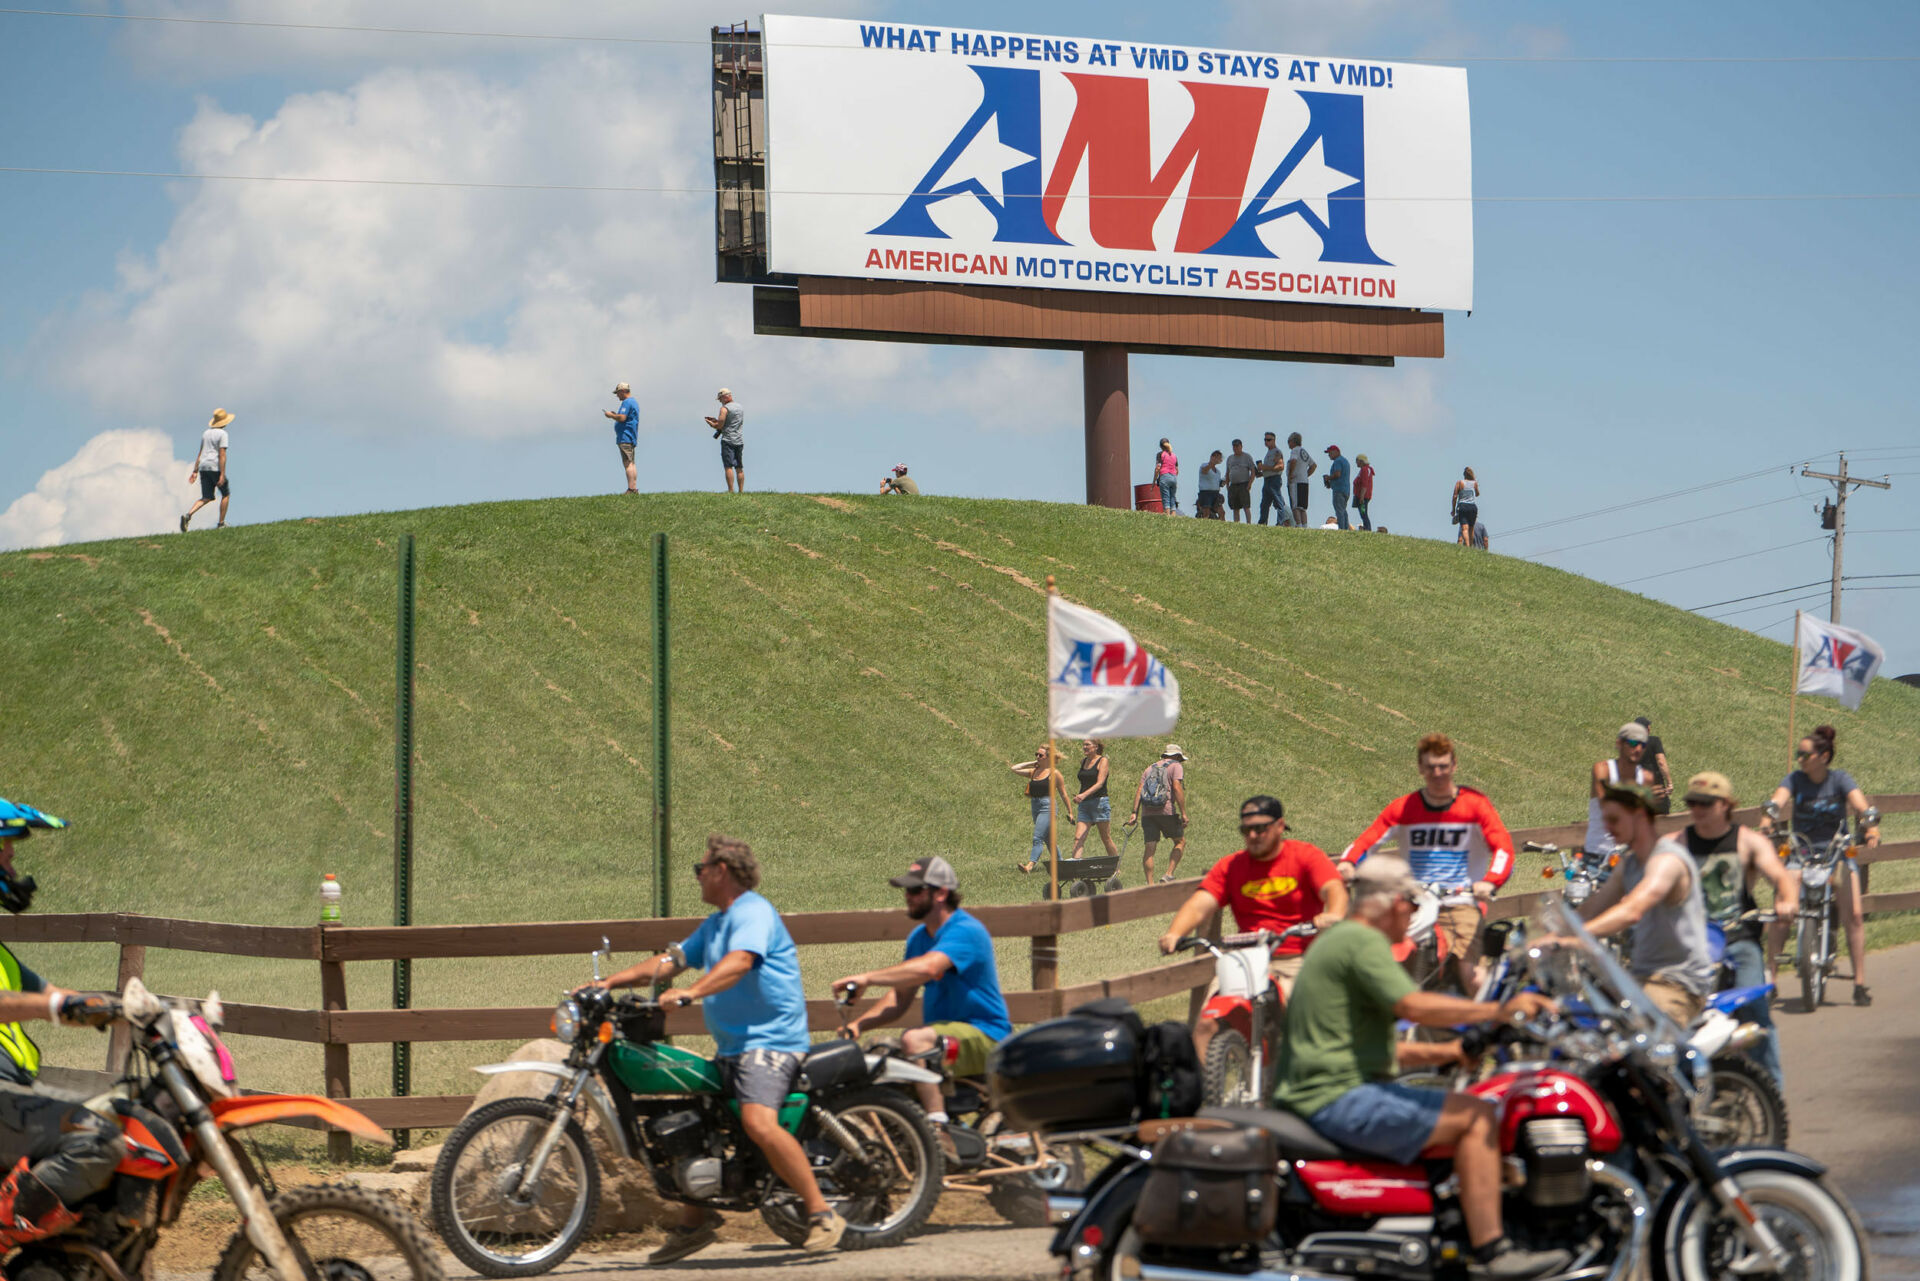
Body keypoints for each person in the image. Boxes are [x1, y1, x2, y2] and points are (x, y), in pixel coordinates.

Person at [1273, 855, 1565, 1281]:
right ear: (1392, 901)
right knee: (1477, 1116)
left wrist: (1448, 1052)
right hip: (1335, 1098)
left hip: (1327, 1088)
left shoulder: (1338, 942)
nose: (1413, 913)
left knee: (1467, 1106)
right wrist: (1501, 1010)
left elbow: (1368, 1048)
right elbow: (1412, 1005)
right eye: (1411, 903)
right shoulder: (1361, 941)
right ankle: (1493, 1252)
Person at [590, 835, 845, 1258]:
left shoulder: (752, 913)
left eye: (700, 869)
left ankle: (822, 1213)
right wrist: (610, 982)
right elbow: (670, 961)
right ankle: (696, 1221)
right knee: (697, 1120)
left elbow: (741, 961)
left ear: (721, 870)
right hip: (733, 1048)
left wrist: (691, 993)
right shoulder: (715, 924)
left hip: (771, 1043)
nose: (697, 877)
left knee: (759, 1124)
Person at [0, 801, 130, 1248]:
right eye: (6, 852)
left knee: (127, 1123)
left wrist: (125, 1008)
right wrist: (55, 1009)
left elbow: (51, 995)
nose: (13, 864)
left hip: (12, 1093)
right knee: (99, 1140)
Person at [1157, 796, 1348, 1059]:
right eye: (1247, 830)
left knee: (1305, 1022)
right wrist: (1175, 932)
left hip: (1297, 958)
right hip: (1245, 958)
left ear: (1280, 826)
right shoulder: (1231, 866)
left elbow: (1332, 888)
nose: (1254, 835)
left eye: (1261, 828)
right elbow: (1200, 904)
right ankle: (1205, 1096)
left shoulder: (1305, 856)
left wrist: (1334, 914)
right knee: (1206, 1026)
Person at [835, 857, 1012, 1127]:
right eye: (906, 890)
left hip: (986, 1035)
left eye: (916, 891)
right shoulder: (919, 937)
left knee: (917, 1042)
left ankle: (936, 1128)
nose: (908, 897)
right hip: (943, 1037)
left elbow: (929, 968)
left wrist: (867, 978)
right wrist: (858, 1025)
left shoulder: (966, 931)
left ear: (941, 893)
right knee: (876, 1054)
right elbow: (899, 997)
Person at [1340, 733, 1516, 990]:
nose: (1437, 773)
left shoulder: (1475, 805)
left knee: (1470, 975)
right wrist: (1348, 863)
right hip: (1414, 903)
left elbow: (1503, 849)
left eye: (1443, 766)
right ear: (1420, 768)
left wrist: (1490, 882)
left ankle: (1489, 1022)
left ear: (1454, 766)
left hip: (1460, 901)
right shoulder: (1404, 807)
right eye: (1431, 767)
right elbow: (1368, 841)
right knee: (1382, 964)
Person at [1679, 771, 1797, 1086]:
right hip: (1691, 947)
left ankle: (1771, 1091)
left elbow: (1781, 877)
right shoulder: (1677, 843)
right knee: (1673, 1017)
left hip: (1737, 942)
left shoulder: (1749, 842)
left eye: (1706, 802)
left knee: (1755, 1016)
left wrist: (1788, 900)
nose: (1698, 809)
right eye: (1692, 802)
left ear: (1726, 804)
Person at [1758, 724, 1880, 1005]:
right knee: (1782, 910)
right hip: (1801, 852)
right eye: (1798, 754)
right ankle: (1771, 980)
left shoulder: (1840, 780)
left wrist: (1870, 826)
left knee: (1855, 915)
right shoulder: (1795, 780)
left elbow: (1861, 806)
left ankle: (1859, 983)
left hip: (1835, 853)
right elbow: (1776, 802)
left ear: (1823, 756)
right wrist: (1766, 823)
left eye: (1804, 754)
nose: (1799, 759)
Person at [1576, 783, 1715, 1026]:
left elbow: (1632, 910)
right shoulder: (1629, 863)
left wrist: (1579, 936)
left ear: (1639, 816)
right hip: (1642, 978)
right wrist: (1550, 932)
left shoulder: (1667, 861)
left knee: (1637, 1040)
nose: (1607, 828)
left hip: (1678, 985)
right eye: (1605, 820)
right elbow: (1592, 907)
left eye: (1614, 819)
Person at [1586, 723, 1655, 859]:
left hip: (1629, 858)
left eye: (1643, 745)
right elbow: (1606, 805)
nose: (1638, 749)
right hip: (1597, 854)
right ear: (1619, 743)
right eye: (1633, 743)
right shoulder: (1603, 770)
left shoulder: (1646, 778)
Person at [1127, 744, 1189, 883]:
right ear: (1177, 756)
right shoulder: (1176, 766)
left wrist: (1134, 813)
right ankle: (1168, 874)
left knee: (1150, 848)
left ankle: (1150, 885)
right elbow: (1177, 788)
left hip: (1147, 813)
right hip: (1166, 811)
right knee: (1180, 841)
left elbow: (1139, 790)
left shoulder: (1150, 768)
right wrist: (1183, 812)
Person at [1012, 745, 1071, 875]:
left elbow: (1063, 794)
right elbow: (1014, 768)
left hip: (1048, 806)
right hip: (1035, 805)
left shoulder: (1054, 773)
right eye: (1036, 754)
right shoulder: (1034, 771)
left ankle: (1030, 866)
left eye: (1040, 755)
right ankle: (1061, 864)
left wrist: (1070, 812)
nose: (1037, 757)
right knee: (1048, 839)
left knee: (1037, 837)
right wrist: (1032, 763)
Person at [180, 408, 233, 532]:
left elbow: (200, 453)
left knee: (206, 497)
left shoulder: (206, 433)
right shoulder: (223, 435)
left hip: (203, 467)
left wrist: (195, 471)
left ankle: (188, 516)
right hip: (215, 467)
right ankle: (221, 524)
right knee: (225, 494)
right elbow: (222, 455)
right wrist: (222, 474)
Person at [1068, 739, 1119, 860]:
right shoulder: (1083, 761)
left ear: (1096, 747)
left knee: (1105, 838)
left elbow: (1100, 783)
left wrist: (1083, 795)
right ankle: (1075, 868)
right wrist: (1081, 797)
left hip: (1099, 803)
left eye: (1087, 745)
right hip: (1084, 805)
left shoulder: (1103, 761)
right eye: (1083, 745)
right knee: (1078, 838)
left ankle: (1115, 867)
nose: (1084, 747)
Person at [703, 389, 745, 493]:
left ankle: (731, 491)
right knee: (739, 467)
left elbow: (720, 425)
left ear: (725, 397)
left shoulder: (724, 409)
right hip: (739, 440)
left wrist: (711, 424)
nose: (720, 401)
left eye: (720, 399)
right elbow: (731, 423)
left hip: (728, 440)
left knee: (728, 466)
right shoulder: (740, 407)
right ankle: (741, 491)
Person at [603, 382, 640, 494]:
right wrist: (616, 415)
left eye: (618, 393)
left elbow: (622, 418)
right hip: (631, 437)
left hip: (625, 437)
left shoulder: (627, 403)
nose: (617, 396)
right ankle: (633, 488)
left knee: (627, 463)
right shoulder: (634, 402)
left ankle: (631, 489)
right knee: (631, 463)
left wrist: (611, 415)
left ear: (623, 391)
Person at [1635, 716, 1673, 813]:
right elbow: (1661, 762)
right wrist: (1669, 783)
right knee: (1663, 820)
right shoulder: (1654, 741)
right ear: (1648, 728)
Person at [1257, 432, 1291, 526]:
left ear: (1274, 440)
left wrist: (1265, 468)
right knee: (1264, 503)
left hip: (1274, 480)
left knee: (1278, 502)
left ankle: (1280, 522)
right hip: (1267, 479)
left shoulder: (1277, 452)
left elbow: (1280, 466)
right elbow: (1270, 468)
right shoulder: (1269, 452)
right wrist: (1261, 473)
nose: (1266, 442)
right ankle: (1262, 522)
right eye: (1265, 440)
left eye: (1269, 440)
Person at [1286, 431, 1316, 527]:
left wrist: (1290, 474)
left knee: (1295, 506)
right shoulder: (1304, 452)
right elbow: (1313, 465)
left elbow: (1293, 461)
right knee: (1302, 507)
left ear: (1293, 441)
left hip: (1295, 482)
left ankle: (1298, 525)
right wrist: (1305, 474)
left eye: (1289, 441)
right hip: (1304, 482)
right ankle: (1305, 525)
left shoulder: (1295, 450)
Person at [1224, 440, 1256, 523]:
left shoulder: (1247, 457)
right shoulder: (1230, 458)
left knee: (1246, 506)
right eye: (1234, 446)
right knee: (1235, 507)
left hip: (1243, 484)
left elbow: (1253, 471)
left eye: (1237, 446)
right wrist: (1227, 485)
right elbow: (1227, 472)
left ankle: (1248, 523)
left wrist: (1250, 483)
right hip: (1233, 485)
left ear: (1241, 446)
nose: (1235, 448)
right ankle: (1236, 523)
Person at [1323, 444, 1352, 530]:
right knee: (1343, 510)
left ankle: (1342, 529)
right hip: (1346, 490)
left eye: (1330, 453)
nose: (1329, 455)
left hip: (1338, 490)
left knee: (1339, 511)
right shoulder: (1345, 461)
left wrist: (1328, 478)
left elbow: (1337, 474)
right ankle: (1346, 528)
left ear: (1336, 452)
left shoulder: (1338, 461)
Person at [1452, 467, 1480, 546]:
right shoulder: (1474, 483)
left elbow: (1454, 497)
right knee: (1471, 528)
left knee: (1464, 528)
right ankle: (1470, 546)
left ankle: (1467, 545)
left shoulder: (1459, 483)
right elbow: (1477, 494)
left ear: (1464, 475)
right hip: (1472, 507)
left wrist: (1453, 509)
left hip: (1462, 506)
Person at [1195, 450, 1225, 520]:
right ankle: (1205, 524)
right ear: (1212, 457)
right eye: (1216, 457)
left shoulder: (1218, 471)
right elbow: (1204, 471)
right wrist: (1211, 463)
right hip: (1206, 493)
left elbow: (1217, 483)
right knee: (1206, 512)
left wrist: (1223, 482)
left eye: (1219, 458)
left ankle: (1222, 526)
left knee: (1222, 512)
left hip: (1216, 493)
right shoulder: (1204, 465)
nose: (1217, 459)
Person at [1153, 438, 1179, 514]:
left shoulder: (1160, 454)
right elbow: (1177, 470)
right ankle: (1173, 516)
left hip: (1164, 477)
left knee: (1166, 498)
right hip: (1174, 477)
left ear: (1160, 446)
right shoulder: (1174, 455)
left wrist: (1154, 480)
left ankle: (1167, 516)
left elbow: (1158, 468)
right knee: (1172, 498)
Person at [1353, 453, 1375, 531]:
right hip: (1363, 495)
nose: (1356, 462)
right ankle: (1367, 528)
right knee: (1363, 513)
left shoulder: (1365, 469)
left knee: (1363, 513)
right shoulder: (1366, 469)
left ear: (1361, 461)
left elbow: (1364, 483)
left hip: (1363, 496)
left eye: (1357, 461)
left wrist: (1361, 496)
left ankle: (1367, 528)